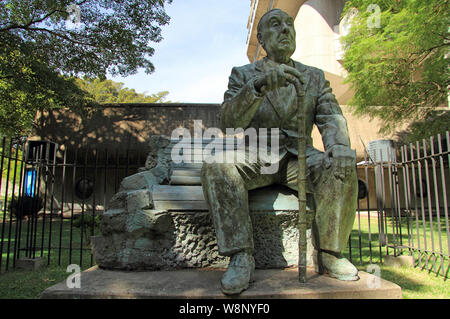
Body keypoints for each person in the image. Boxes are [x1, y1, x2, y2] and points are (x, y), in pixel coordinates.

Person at [201, 8, 359, 295]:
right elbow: (228, 121)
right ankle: (240, 256)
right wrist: (257, 88)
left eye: (290, 25)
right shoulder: (243, 74)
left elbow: (330, 117)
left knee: (341, 163)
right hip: (256, 154)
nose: (286, 29)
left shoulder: (314, 77)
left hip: (301, 157)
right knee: (216, 164)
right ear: (260, 38)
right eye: (276, 25)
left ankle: (330, 254)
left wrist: (338, 146)